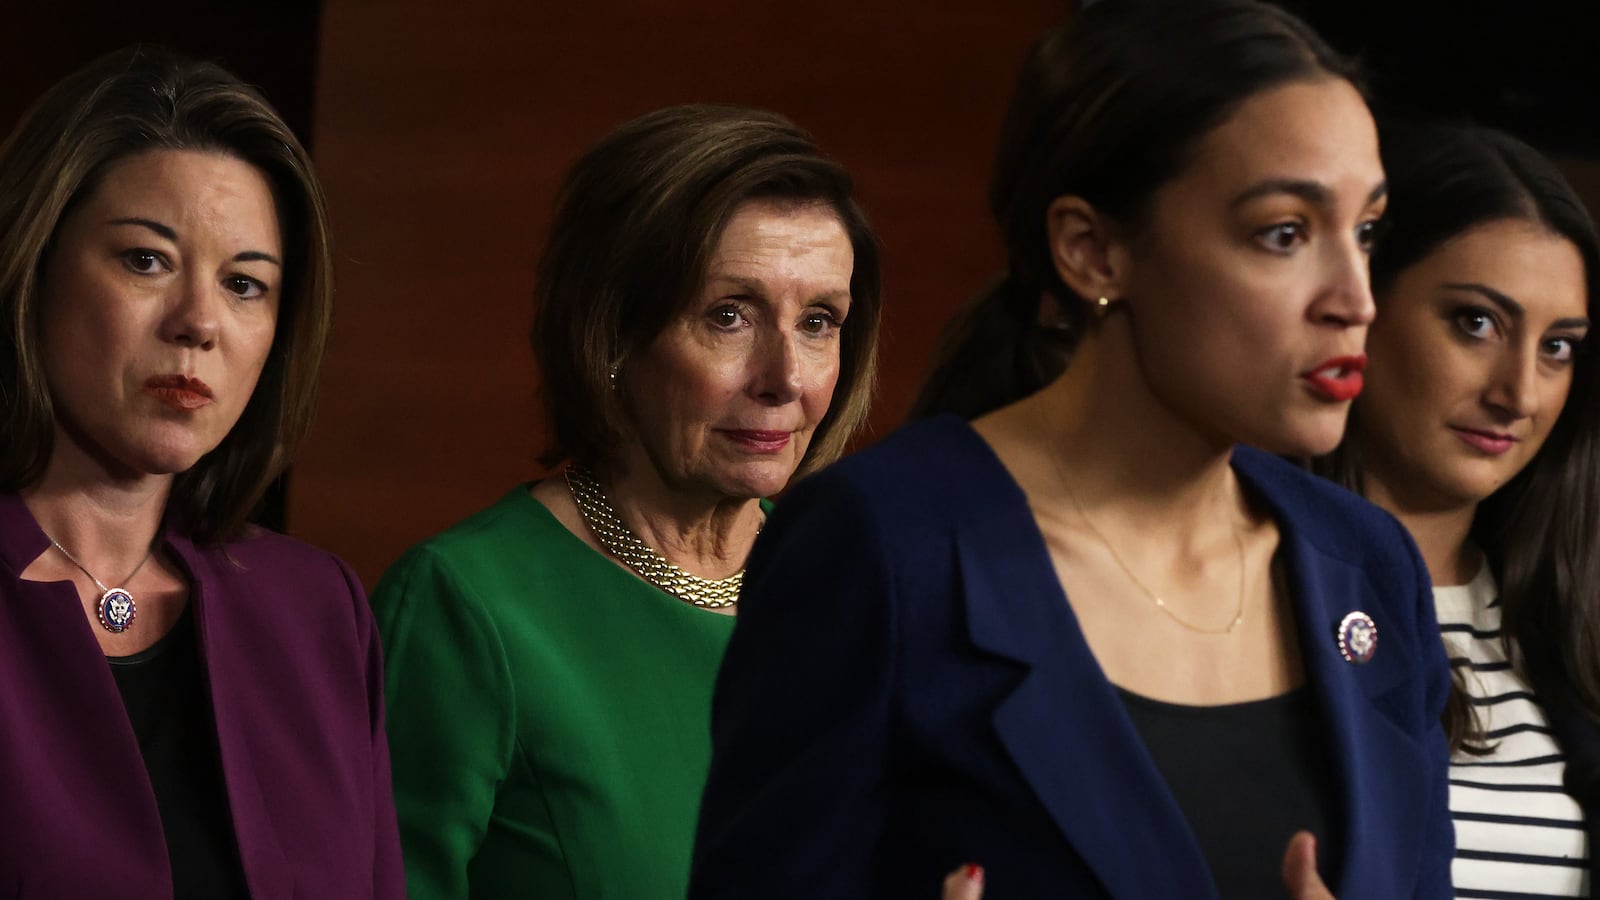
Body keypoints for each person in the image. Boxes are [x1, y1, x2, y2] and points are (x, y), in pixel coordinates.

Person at [689, 2, 1453, 898]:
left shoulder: (1371, 563)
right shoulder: (879, 545)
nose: (1355, 298)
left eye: (1365, 232)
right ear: (1091, 251)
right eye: (1284, 233)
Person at [371, 103, 882, 900]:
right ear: (611, 333)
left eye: (819, 321)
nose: (786, 376)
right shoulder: (462, 607)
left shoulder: (855, 598)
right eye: (729, 315)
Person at [0, 47, 403, 898]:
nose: (199, 323)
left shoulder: (317, 611)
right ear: (32, 267)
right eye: (146, 260)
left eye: (245, 284)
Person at [1313, 119, 1600, 896]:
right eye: (1477, 322)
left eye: (1558, 346)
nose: (1520, 393)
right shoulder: (1235, 581)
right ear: (1360, 303)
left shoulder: (1572, 628)